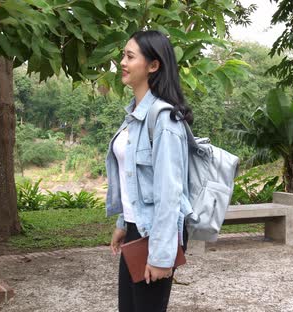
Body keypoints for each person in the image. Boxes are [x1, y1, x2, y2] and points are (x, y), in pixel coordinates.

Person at [105, 30, 194, 312]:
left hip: (155, 236)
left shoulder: (164, 120)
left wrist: (161, 256)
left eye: (130, 56)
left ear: (153, 65)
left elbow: (170, 195)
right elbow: (134, 180)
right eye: (123, 55)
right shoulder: (134, 116)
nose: (122, 62)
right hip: (136, 231)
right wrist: (123, 223)